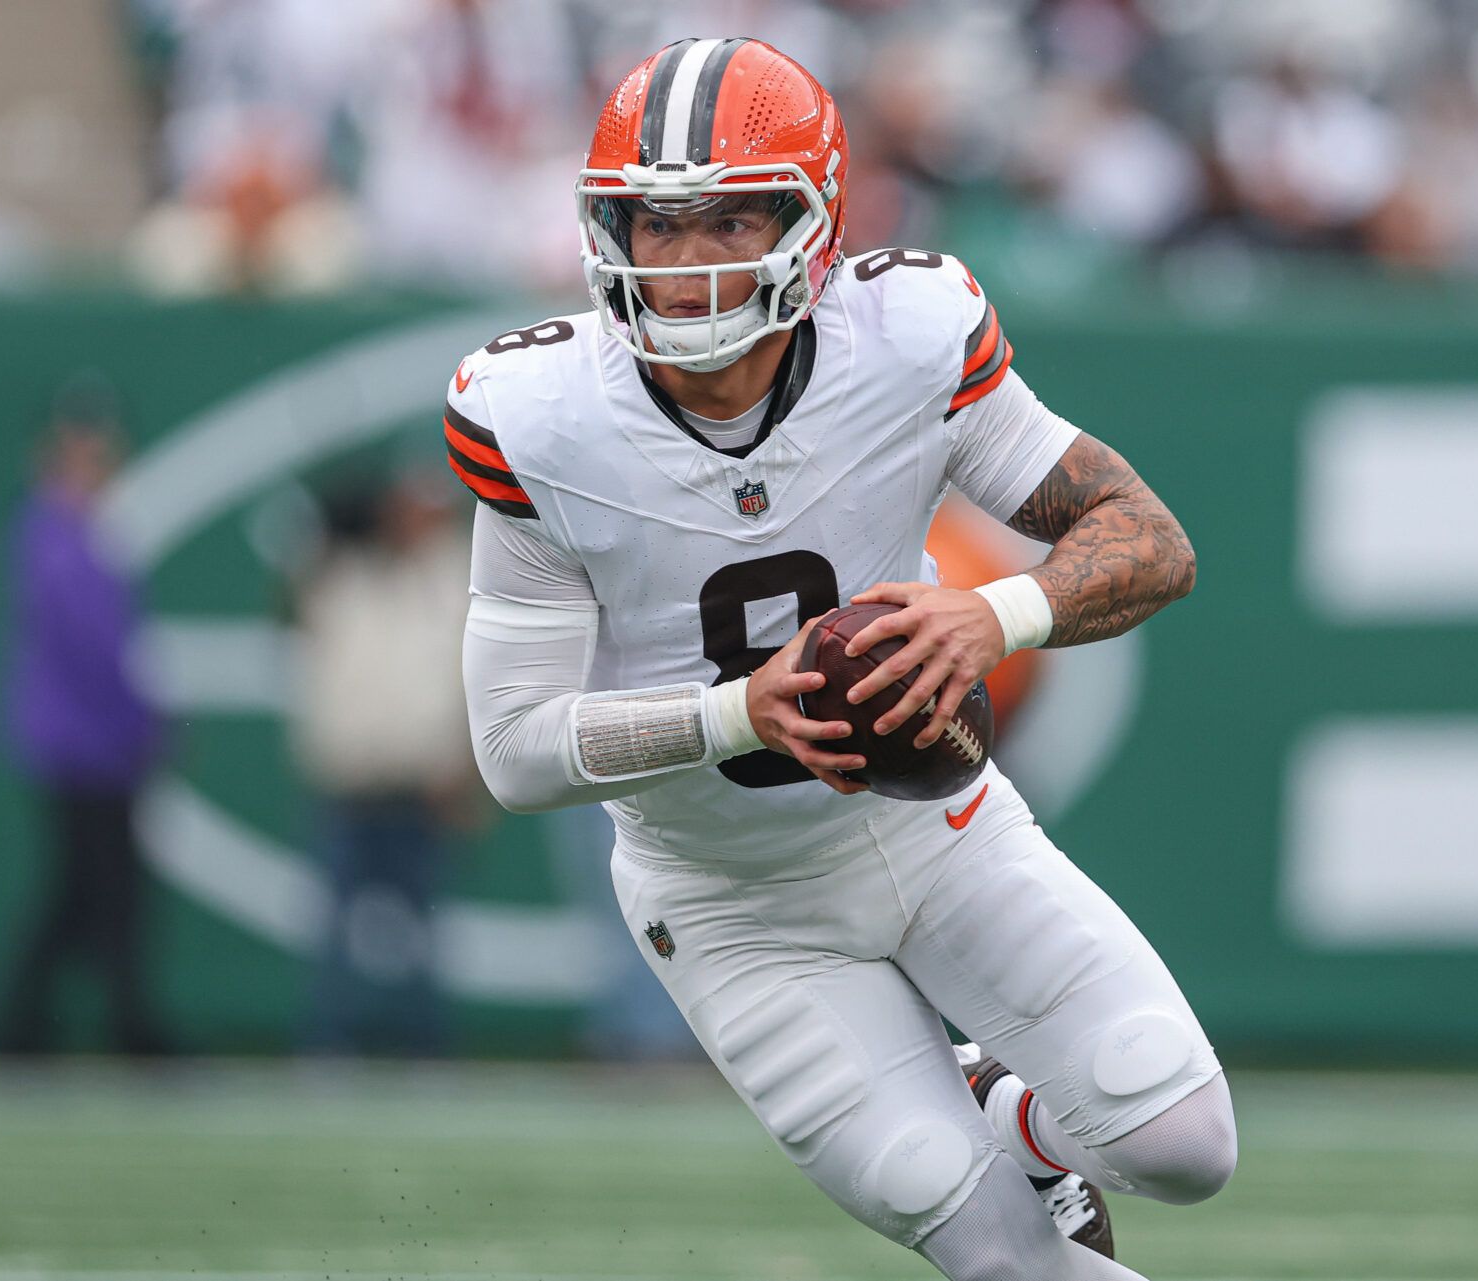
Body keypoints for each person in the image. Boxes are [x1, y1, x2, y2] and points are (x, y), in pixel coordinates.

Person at [448, 39, 1233, 1279]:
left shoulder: (910, 334)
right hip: (728, 899)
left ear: (813, 219)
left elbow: (1150, 541)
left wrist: (996, 614)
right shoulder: (537, 417)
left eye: (732, 218)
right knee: (995, 1252)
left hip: (938, 828)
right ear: (609, 233)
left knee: (1187, 1142)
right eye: (655, 224)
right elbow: (513, 751)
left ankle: (1012, 1115)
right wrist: (735, 715)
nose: (691, 261)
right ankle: (990, 1138)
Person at [0, 379, 170, 1056]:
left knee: (84, 892)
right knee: (99, 893)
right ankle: (112, 1026)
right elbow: (93, 649)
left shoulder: (76, 533)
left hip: (89, 740)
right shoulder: (57, 536)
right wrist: (138, 722)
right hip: (84, 745)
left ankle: (33, 1025)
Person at [289, 472, 483, 1055]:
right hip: (347, 780)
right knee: (337, 922)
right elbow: (294, 600)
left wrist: (463, 769)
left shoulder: (455, 578)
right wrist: (347, 528)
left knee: (420, 923)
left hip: (419, 782)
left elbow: (469, 683)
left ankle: (421, 1043)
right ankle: (332, 1042)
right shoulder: (345, 575)